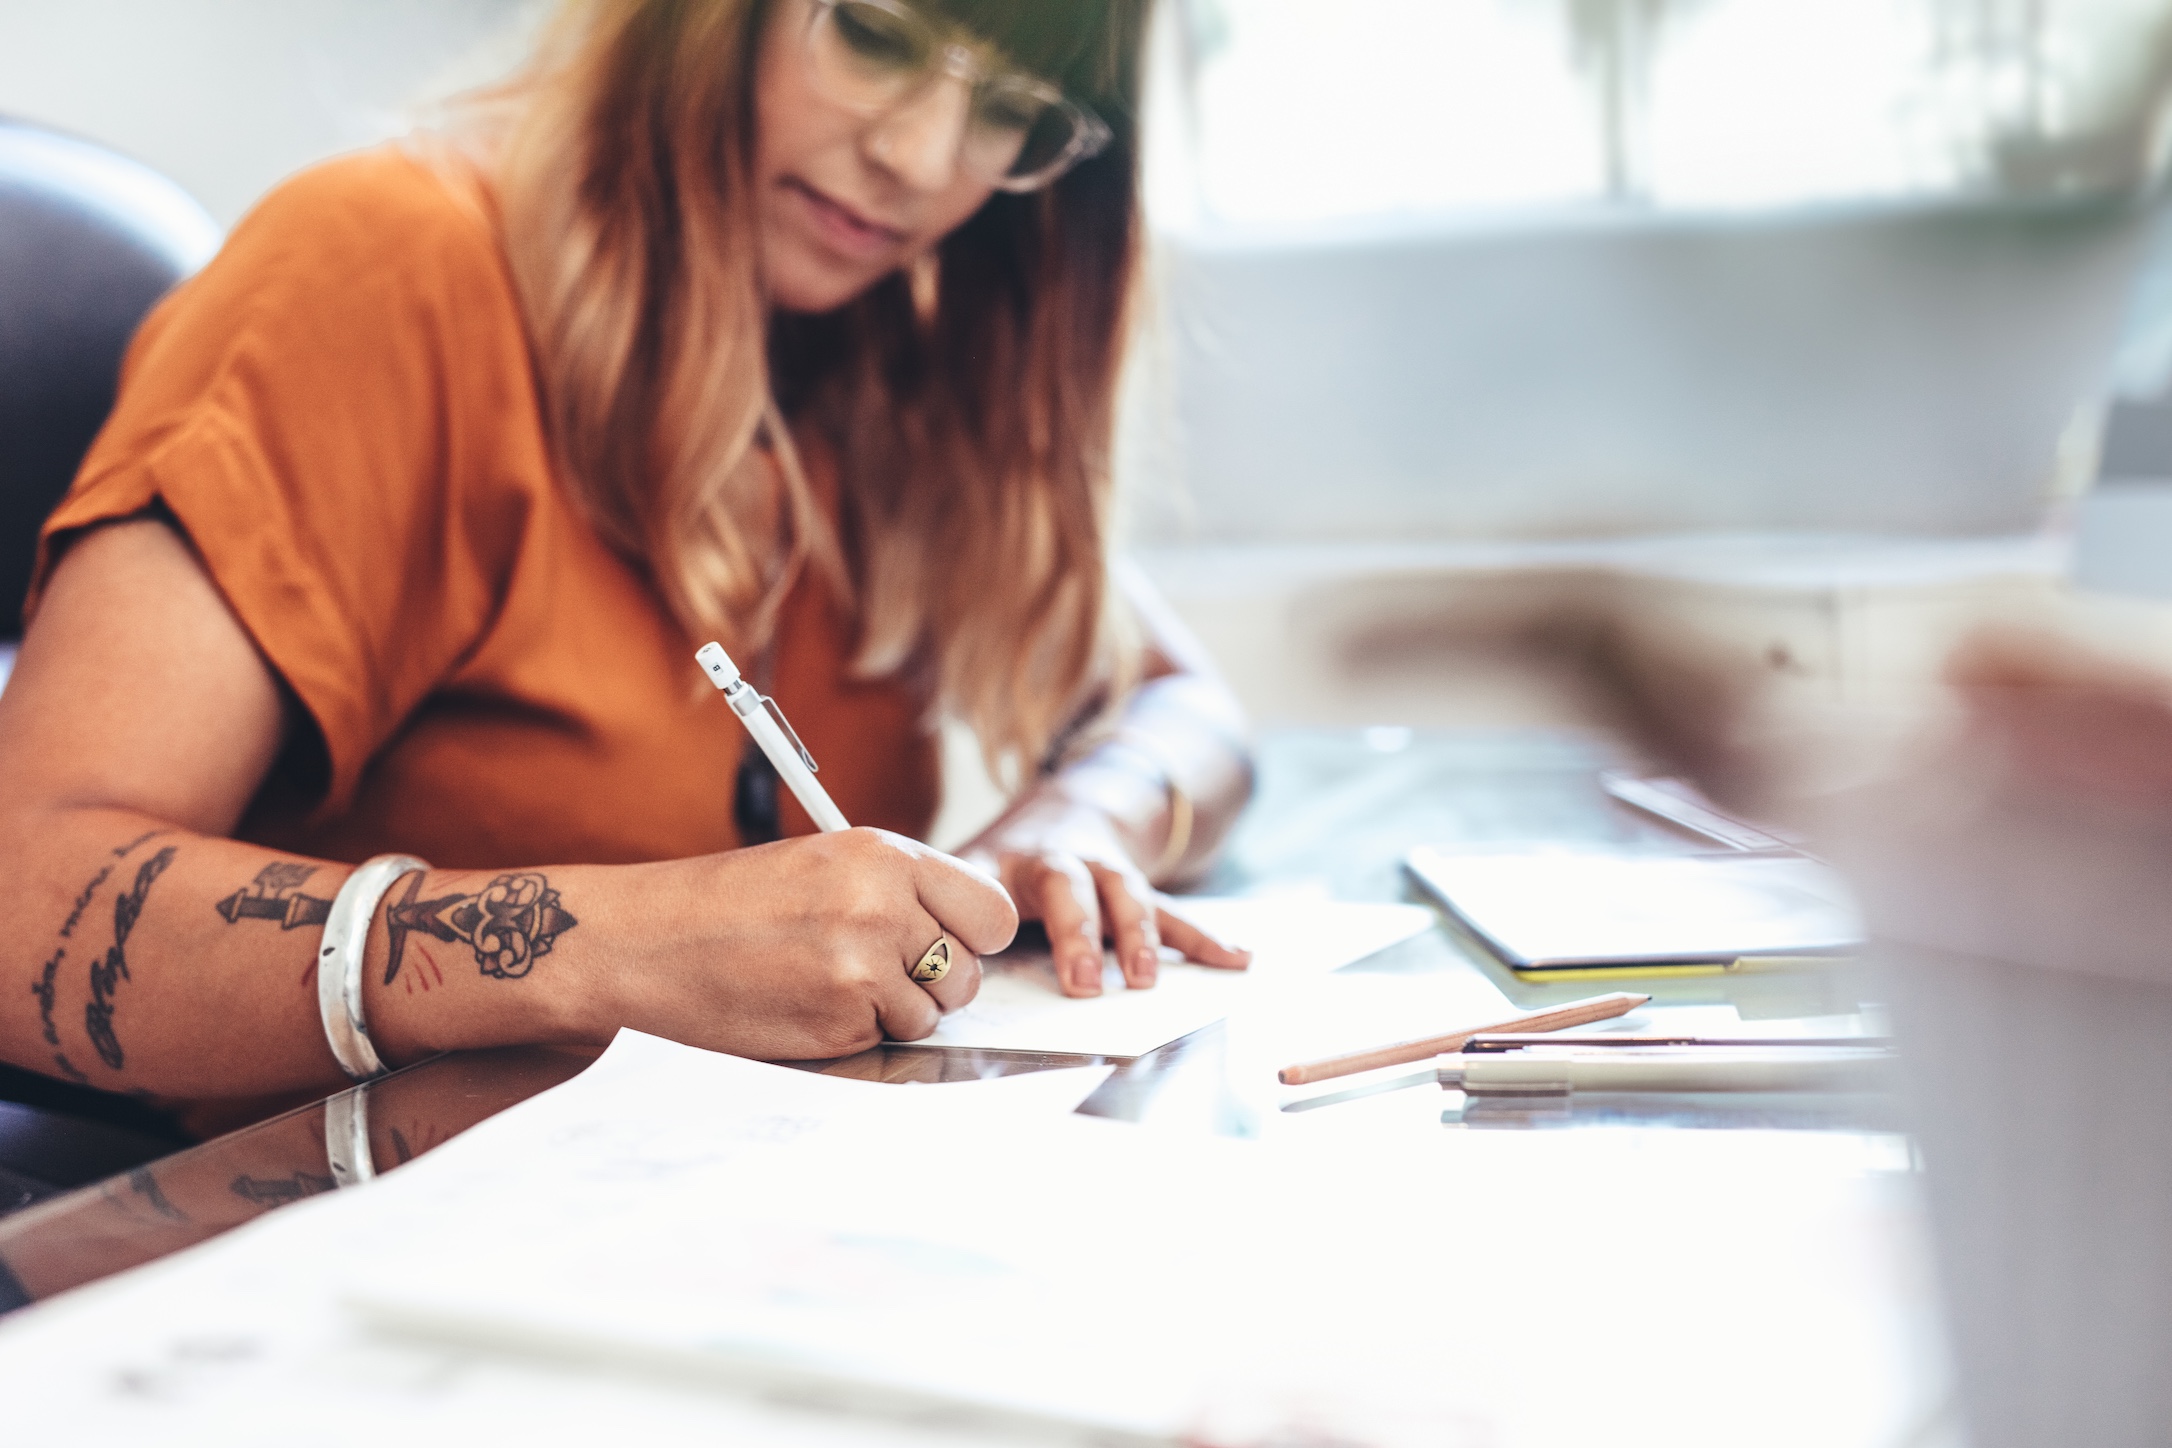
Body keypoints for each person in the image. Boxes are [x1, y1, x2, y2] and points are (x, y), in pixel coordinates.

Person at [0, 0, 1253, 1131]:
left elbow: (1186, 706)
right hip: (315, 1244)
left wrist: (1080, 820)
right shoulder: (383, 266)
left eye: (1015, 112)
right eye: (875, 35)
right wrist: (614, 948)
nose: (921, 163)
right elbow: (22, 904)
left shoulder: (886, 361)